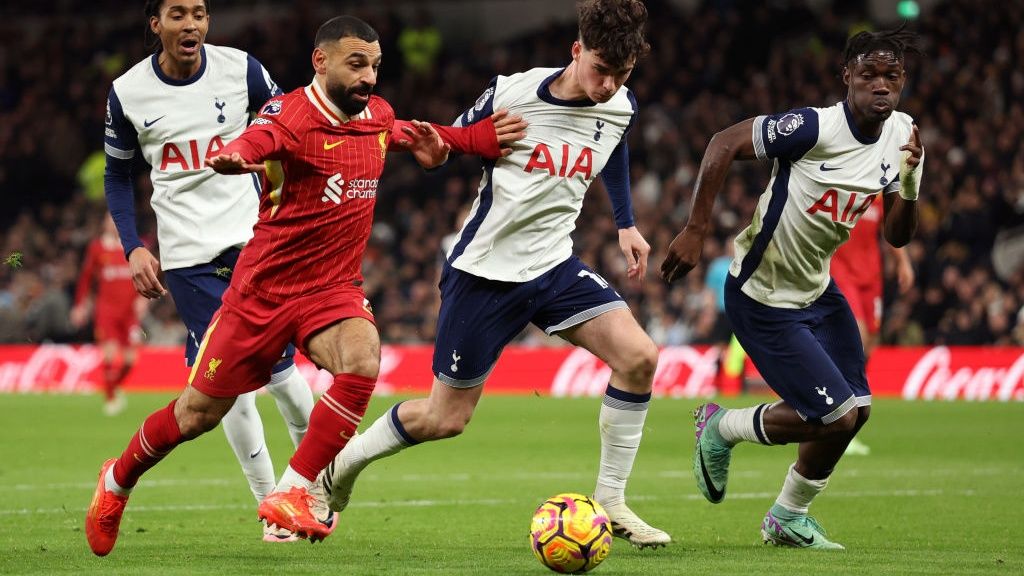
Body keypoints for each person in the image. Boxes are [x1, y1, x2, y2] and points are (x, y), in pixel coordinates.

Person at [85, 14, 524, 555]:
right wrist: (239, 155)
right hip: (261, 293)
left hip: (331, 289)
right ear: (321, 61)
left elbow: (417, 133)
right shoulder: (290, 114)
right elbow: (261, 135)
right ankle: (117, 481)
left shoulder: (375, 114)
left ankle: (293, 490)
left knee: (362, 360)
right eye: (356, 64)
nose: (368, 78)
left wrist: (476, 138)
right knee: (196, 414)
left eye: (375, 66)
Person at [323, 0, 671, 549]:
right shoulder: (513, 92)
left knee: (640, 358)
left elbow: (615, 141)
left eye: (621, 76)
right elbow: (450, 145)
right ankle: (343, 463)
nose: (608, 87)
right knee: (445, 419)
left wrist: (626, 222)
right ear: (576, 51)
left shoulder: (619, 104)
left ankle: (611, 500)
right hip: (484, 273)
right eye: (601, 70)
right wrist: (434, 153)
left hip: (554, 266)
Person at [660, 26, 923, 549]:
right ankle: (721, 428)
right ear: (846, 77)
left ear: (902, 81)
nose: (880, 85)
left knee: (857, 413)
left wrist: (911, 182)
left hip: (816, 292)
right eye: (868, 74)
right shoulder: (812, 127)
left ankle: (787, 516)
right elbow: (724, 142)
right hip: (761, 296)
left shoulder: (905, 136)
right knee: (834, 416)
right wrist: (696, 228)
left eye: (890, 76)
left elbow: (897, 234)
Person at [102, 0, 317, 542]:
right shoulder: (128, 92)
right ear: (156, 24)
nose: (191, 24)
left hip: (255, 242)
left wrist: (285, 200)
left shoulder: (241, 69)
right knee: (227, 387)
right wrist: (132, 247)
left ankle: (313, 486)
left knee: (285, 377)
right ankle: (273, 509)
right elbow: (117, 176)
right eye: (177, 14)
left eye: (198, 13)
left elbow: (288, 127)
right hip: (188, 258)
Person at [830, 200, 915, 455]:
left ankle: (844, 412)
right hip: (841, 269)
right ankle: (839, 422)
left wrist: (902, 261)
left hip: (871, 276)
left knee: (870, 344)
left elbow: (890, 229)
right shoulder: (846, 180)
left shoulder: (880, 189)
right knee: (857, 336)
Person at [71, 213, 144, 416]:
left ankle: (113, 386)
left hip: (129, 312)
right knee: (110, 354)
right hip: (107, 310)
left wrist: (143, 298)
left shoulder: (132, 247)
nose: (113, 224)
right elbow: (86, 278)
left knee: (131, 360)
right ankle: (110, 399)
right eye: (109, 220)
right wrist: (80, 305)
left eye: (116, 220)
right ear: (104, 223)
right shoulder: (97, 248)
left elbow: (144, 273)